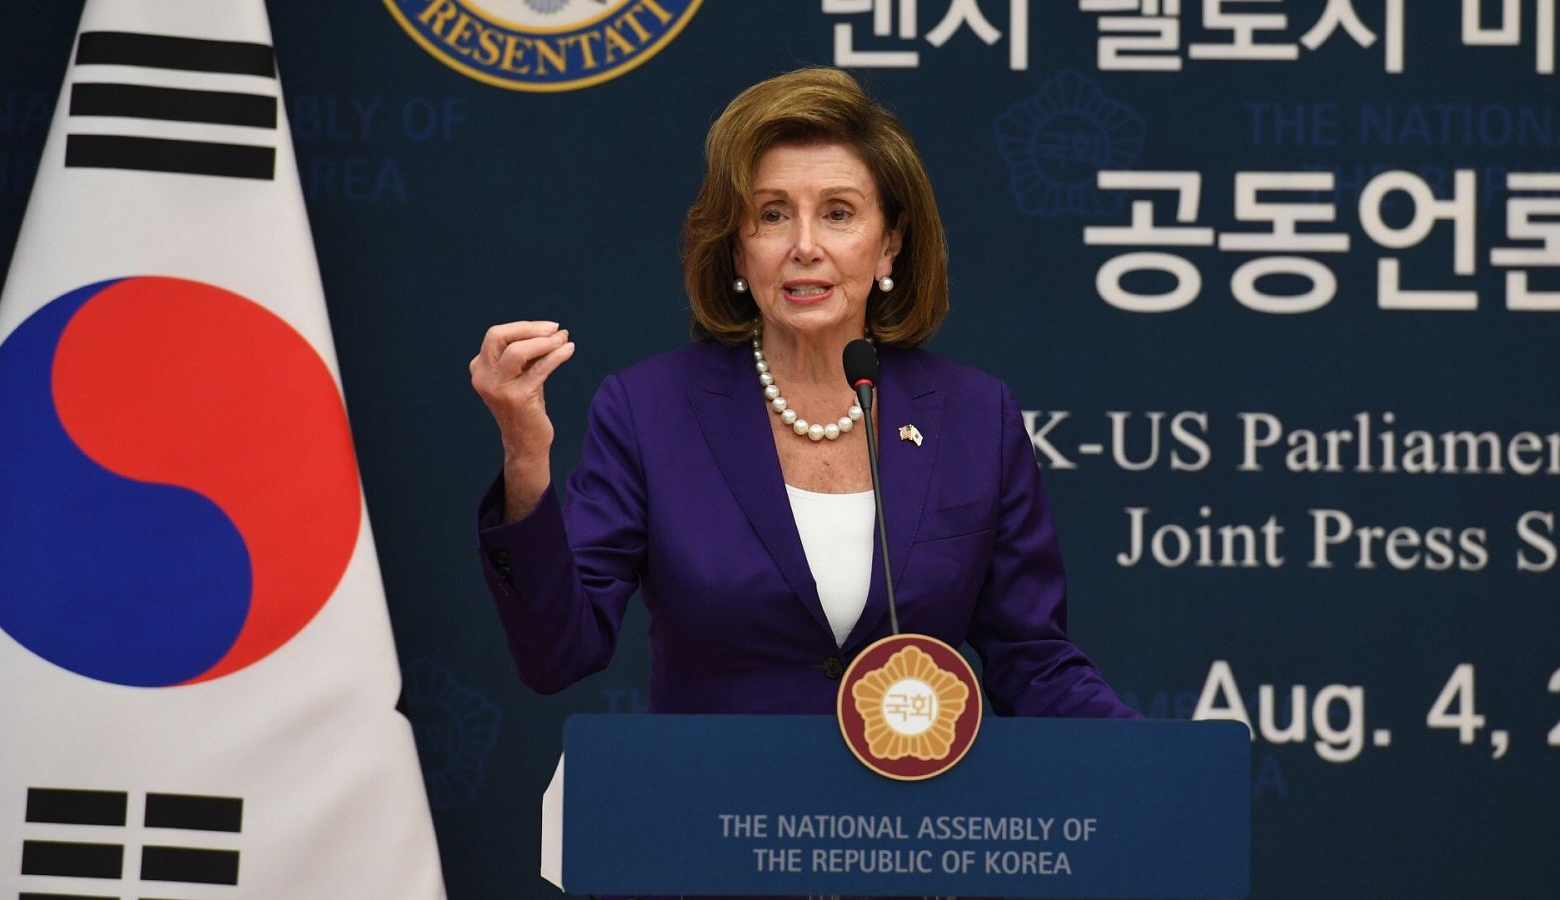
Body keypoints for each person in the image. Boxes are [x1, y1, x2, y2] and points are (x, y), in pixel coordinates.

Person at [470, 67, 1136, 719]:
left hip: (910, 814)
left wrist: (1160, 766)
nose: (805, 246)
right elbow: (559, 654)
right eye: (772, 215)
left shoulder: (974, 417)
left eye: (839, 214)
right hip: (711, 814)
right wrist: (524, 456)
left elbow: (1033, 660)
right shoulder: (648, 411)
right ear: (737, 251)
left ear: (889, 247)